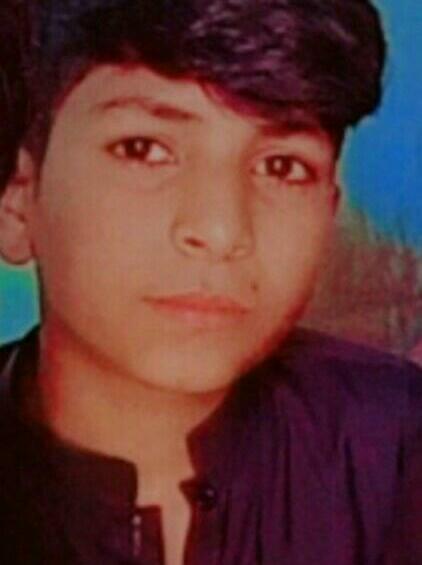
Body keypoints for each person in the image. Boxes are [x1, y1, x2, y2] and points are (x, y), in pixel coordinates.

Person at [0, 1, 420, 563]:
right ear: (18, 200)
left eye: (282, 166)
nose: (221, 230)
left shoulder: (399, 450)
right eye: (144, 149)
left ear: (329, 210)